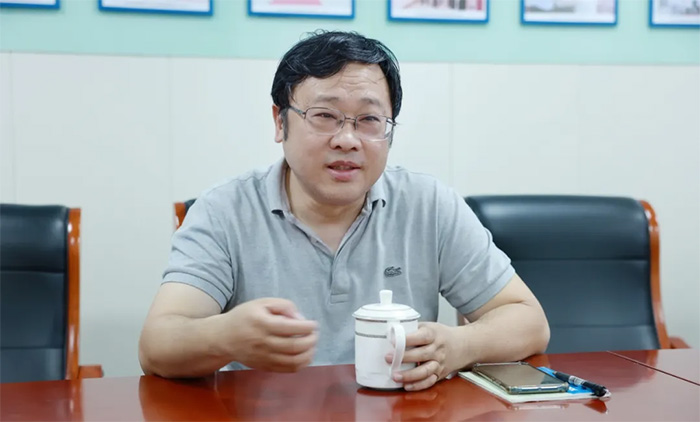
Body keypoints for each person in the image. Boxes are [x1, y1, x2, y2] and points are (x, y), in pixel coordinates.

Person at [138, 30, 549, 392]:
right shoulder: (225, 210)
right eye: (325, 116)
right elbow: (156, 346)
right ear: (280, 122)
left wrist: (459, 345)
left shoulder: (429, 204)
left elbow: (528, 321)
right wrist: (225, 336)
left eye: (369, 119)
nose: (348, 139)